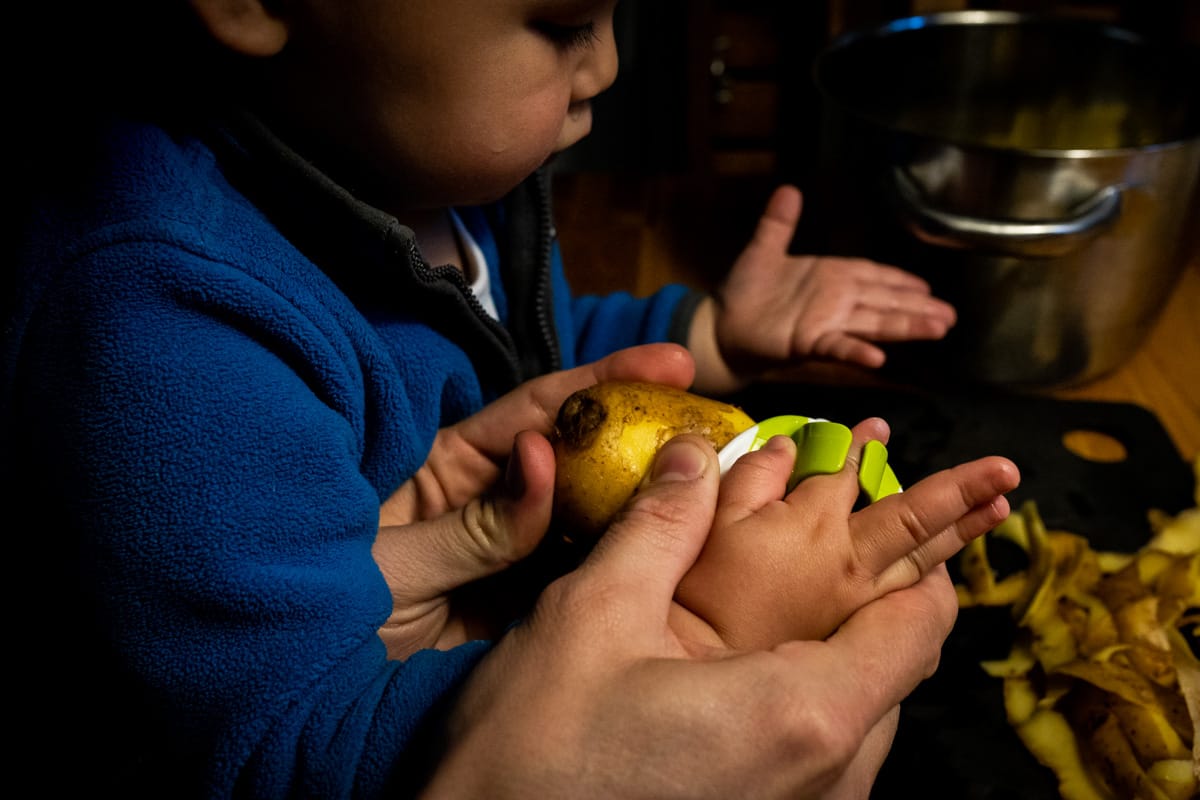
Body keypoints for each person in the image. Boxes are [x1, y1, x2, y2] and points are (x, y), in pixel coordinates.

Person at [6, 2, 1017, 799]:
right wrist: (709, 632)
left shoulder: (419, 166)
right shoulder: (164, 332)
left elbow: (521, 359)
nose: (608, 65)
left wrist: (704, 334)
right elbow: (283, 751)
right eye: (563, 22)